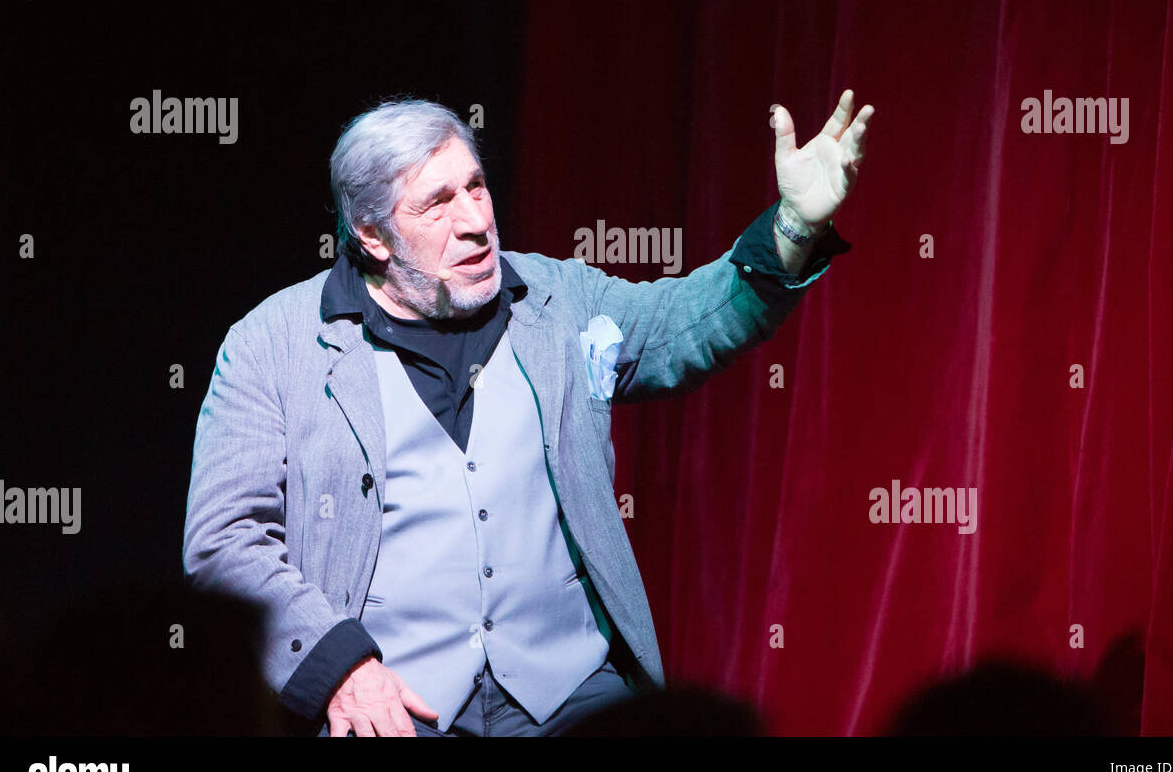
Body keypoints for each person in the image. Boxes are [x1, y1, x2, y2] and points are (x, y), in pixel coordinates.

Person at [182, 88, 876, 736]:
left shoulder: (557, 301)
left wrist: (792, 227)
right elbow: (223, 542)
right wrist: (338, 668)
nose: (476, 222)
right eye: (437, 203)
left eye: (476, 186)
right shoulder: (273, 345)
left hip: (572, 689)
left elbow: (686, 324)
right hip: (395, 703)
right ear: (373, 237)